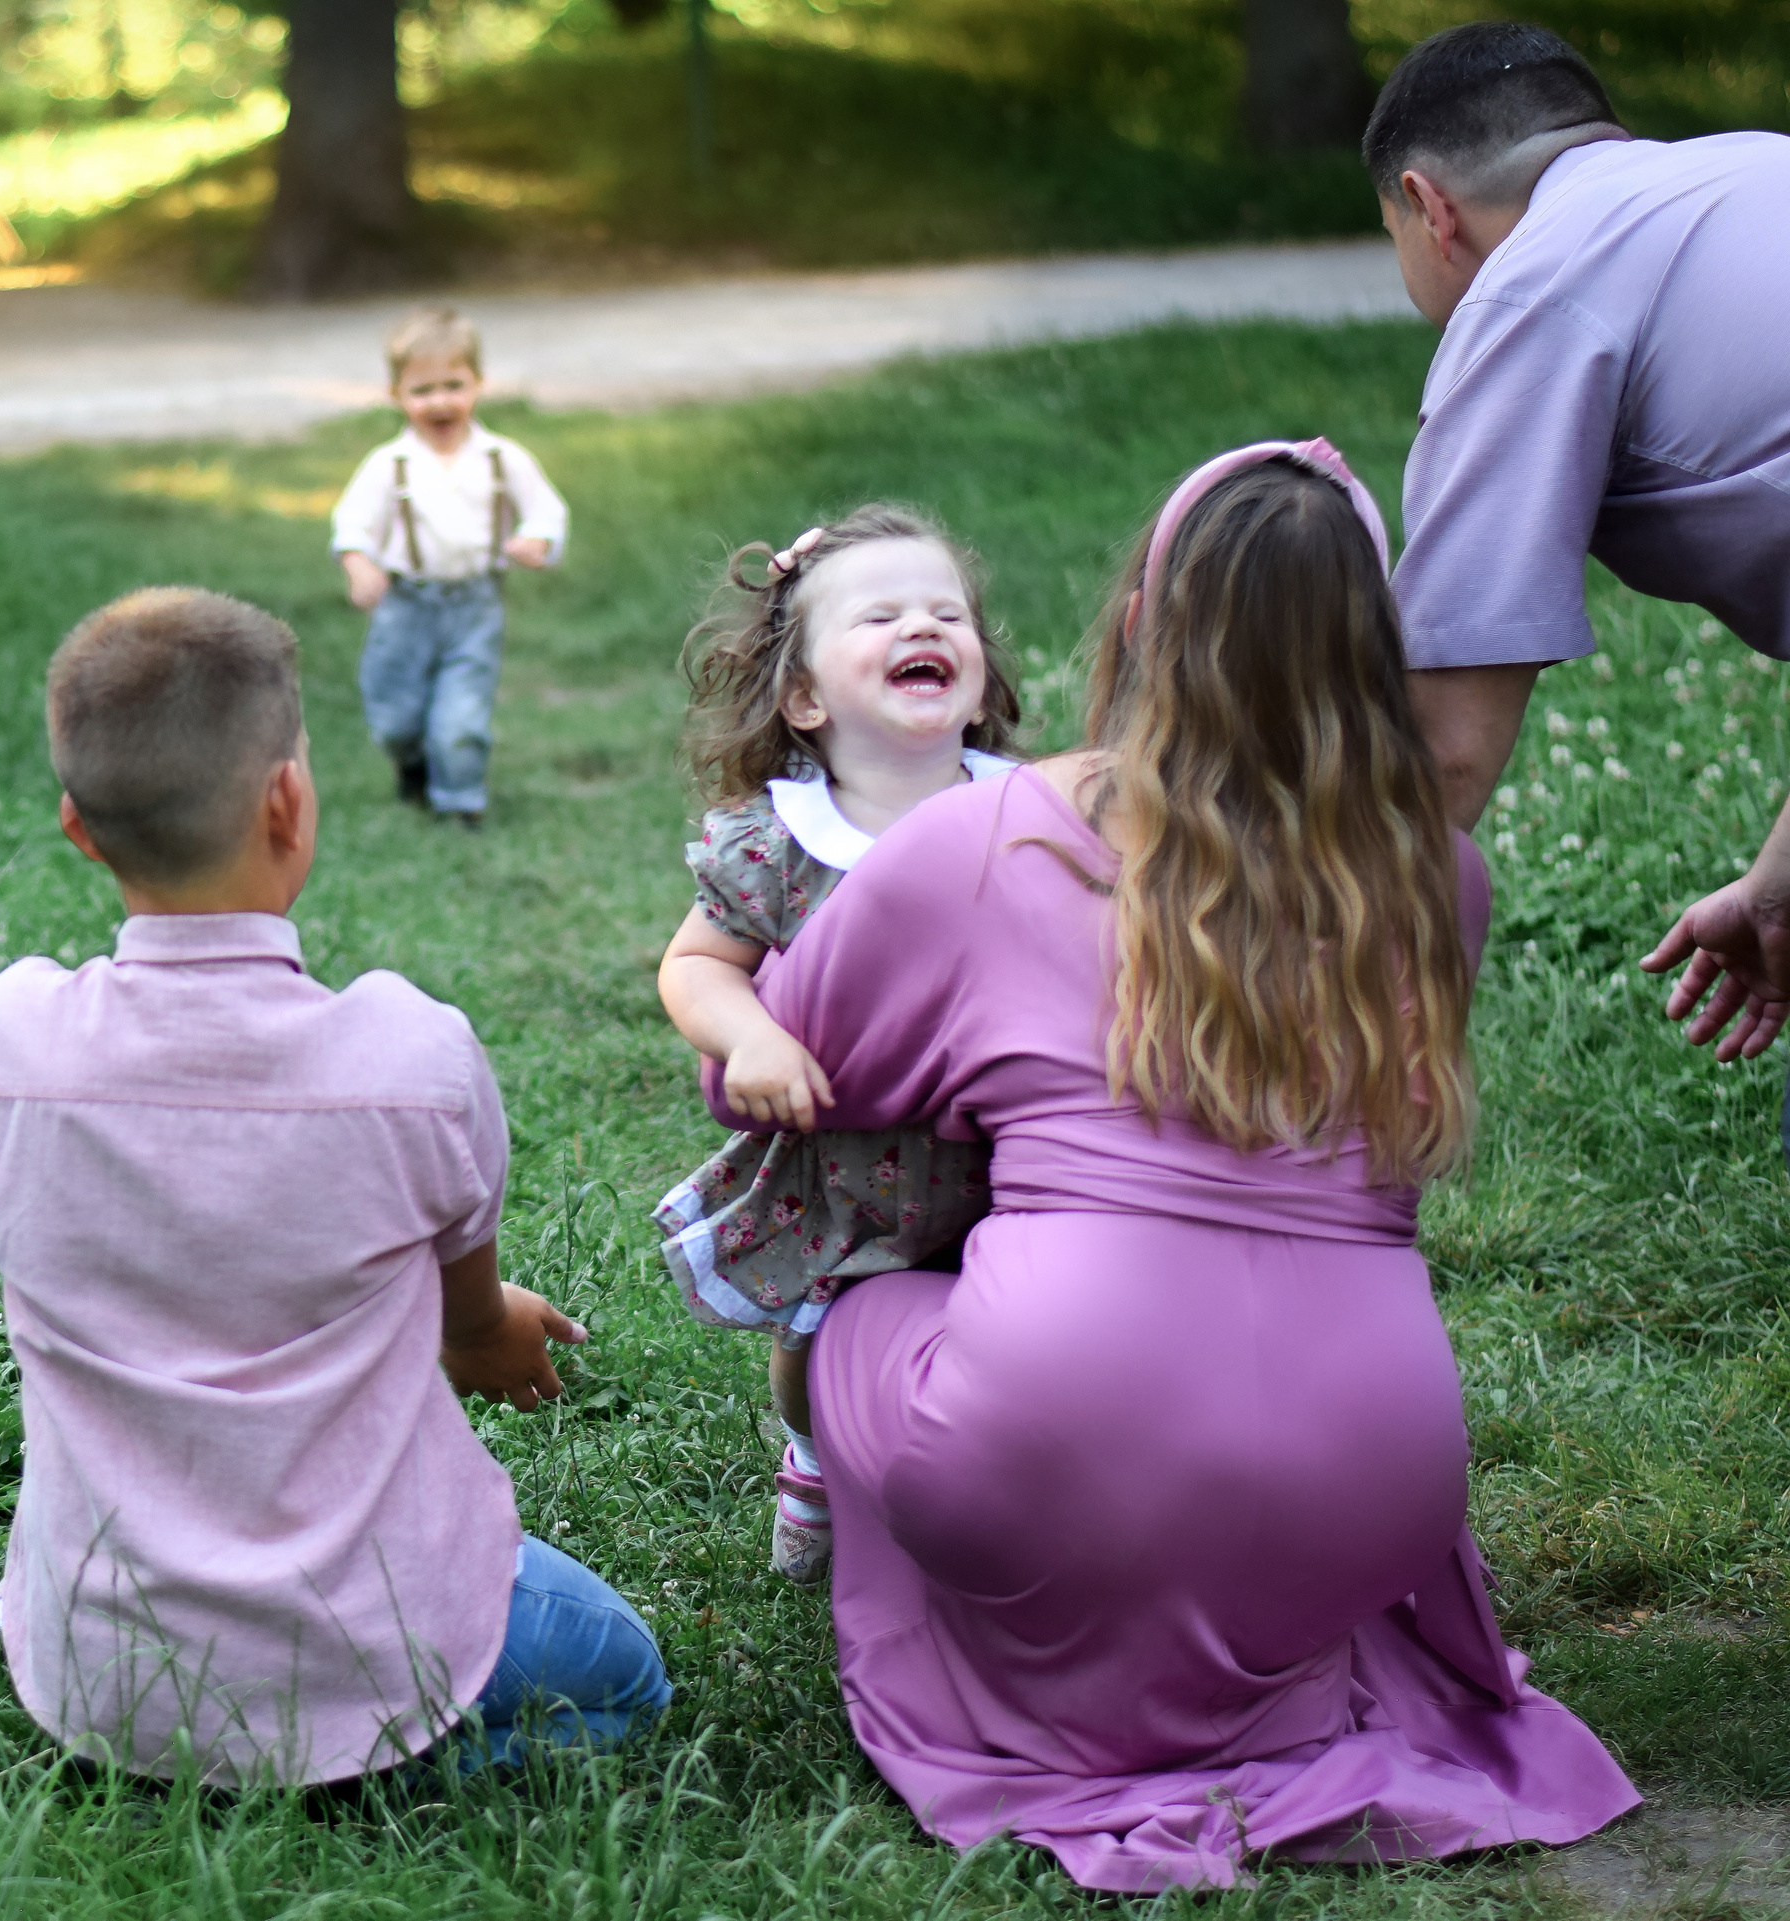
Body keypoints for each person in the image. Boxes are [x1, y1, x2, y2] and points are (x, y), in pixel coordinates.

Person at [730, 445, 1639, 1890]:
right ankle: (1241, 1647)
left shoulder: (987, 836)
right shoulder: (1433, 875)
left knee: (861, 1325)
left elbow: (769, 1066)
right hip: (1380, 1476)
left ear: (1144, 618)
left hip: (1056, 1430)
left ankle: (1060, 1682)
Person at [0, 586, 669, 1786]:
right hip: (368, 1632)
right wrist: (489, 1331)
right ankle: (378, 1757)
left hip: (98, 1673)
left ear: (79, 826)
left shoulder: (5, 1045)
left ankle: (195, 1725)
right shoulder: (409, 1056)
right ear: (288, 800)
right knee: (623, 1673)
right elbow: (468, 1318)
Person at [1369, 23, 1790, 1078]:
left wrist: (1250, 998)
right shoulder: (1746, 171)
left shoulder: (1527, 293)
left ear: (1428, 209)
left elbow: (1446, 746)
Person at [651, 504, 1019, 1585]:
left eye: (948, 613)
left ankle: (989, 1478)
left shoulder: (1033, 813)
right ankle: (812, 1453)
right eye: (884, 614)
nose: (926, 625)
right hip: (848, 1168)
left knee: (1008, 1335)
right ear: (804, 695)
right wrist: (751, 1038)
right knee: (816, 1342)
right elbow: (695, 967)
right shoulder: (781, 844)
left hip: (1009, 1158)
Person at [330, 307, 569, 829]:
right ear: (396, 394)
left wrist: (536, 539)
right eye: (422, 390)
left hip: (474, 604)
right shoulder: (387, 464)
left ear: (478, 385)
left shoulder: (503, 459)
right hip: (404, 607)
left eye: (453, 385)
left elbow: (547, 511)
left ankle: (460, 804)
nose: (439, 401)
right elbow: (353, 523)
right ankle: (412, 764)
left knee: (461, 716)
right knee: (395, 716)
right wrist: (358, 564)